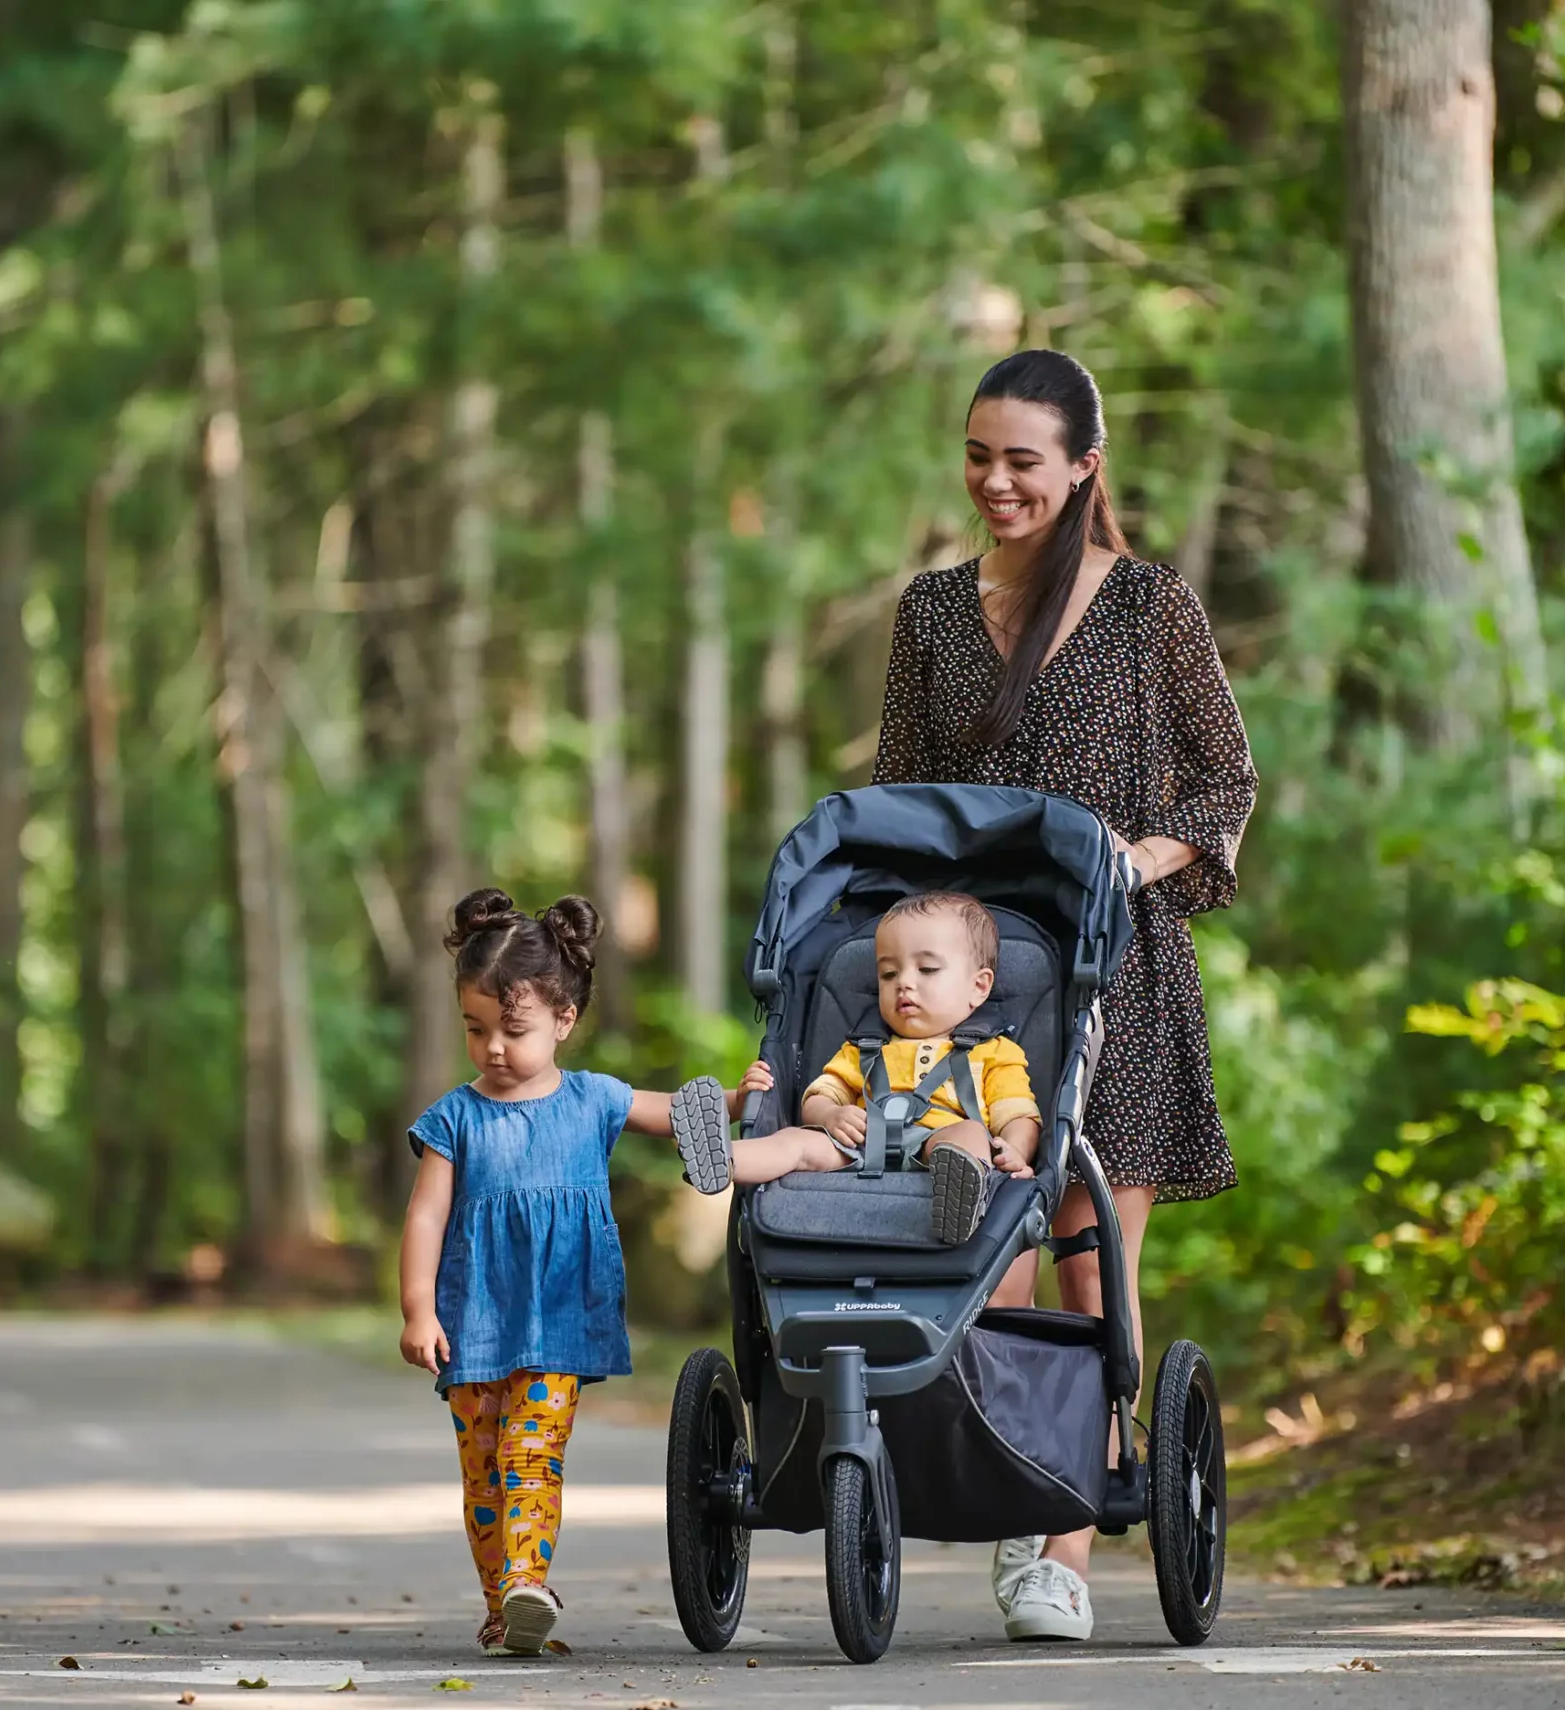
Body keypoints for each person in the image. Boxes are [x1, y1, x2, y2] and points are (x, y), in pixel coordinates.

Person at [871, 349, 1257, 1642]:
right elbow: (899, 804)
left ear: (1084, 463)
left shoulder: (1152, 607)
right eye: (978, 454)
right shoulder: (930, 612)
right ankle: (1010, 1487)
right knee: (990, 1248)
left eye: (1022, 458)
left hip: (1115, 975)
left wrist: (1152, 851)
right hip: (971, 988)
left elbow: (1226, 778)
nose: (995, 480)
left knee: (1096, 1263)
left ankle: (1064, 1551)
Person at [396, 889, 753, 1659]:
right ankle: (504, 1608)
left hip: (558, 1314)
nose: (493, 1047)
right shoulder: (454, 1118)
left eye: (512, 1029)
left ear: (563, 1019)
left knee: (532, 1453)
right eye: (476, 1029)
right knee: (484, 1474)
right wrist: (418, 1309)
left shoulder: (592, 1099)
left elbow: (671, 1112)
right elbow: (425, 1217)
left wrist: (736, 1098)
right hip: (472, 1322)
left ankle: (528, 1579)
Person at [684, 892, 1039, 1247]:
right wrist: (832, 1115)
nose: (904, 982)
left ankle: (961, 1193)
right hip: (861, 1145)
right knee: (796, 1143)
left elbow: (1018, 1114)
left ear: (979, 986)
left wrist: (1014, 1150)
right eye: (888, 973)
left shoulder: (995, 1053)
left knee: (970, 1136)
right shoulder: (863, 1048)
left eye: (927, 969)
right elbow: (821, 1094)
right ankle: (723, 1159)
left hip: (939, 1146)